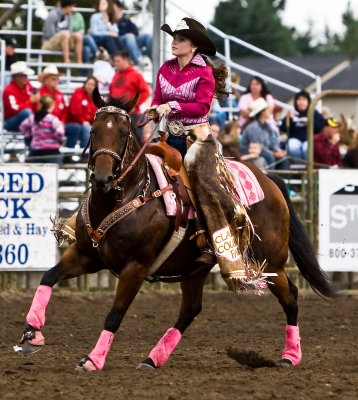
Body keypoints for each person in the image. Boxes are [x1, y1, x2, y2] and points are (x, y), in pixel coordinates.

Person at [148, 17, 251, 280]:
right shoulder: (165, 69)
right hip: (167, 137)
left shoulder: (204, 72)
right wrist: (153, 110)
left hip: (198, 139)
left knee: (204, 186)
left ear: (194, 47)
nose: (174, 42)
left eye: (181, 39)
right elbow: (158, 99)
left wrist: (172, 107)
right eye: (174, 38)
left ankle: (210, 243)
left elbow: (202, 108)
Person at [109, 50, 150, 141]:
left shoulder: (136, 75)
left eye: (118, 61)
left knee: (136, 141)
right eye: (115, 61)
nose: (115, 63)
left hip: (131, 115)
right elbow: (111, 92)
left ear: (126, 60)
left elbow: (145, 92)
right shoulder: (116, 75)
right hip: (116, 115)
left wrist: (135, 105)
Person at [240, 98, 287, 168]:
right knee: (270, 158)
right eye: (267, 109)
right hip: (252, 153)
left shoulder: (267, 125)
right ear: (263, 112)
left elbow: (273, 140)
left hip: (264, 152)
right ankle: (270, 178)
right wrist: (273, 153)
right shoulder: (253, 128)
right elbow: (257, 146)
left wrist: (278, 150)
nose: (270, 111)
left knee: (284, 159)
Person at [280, 90, 325, 162]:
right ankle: (301, 165)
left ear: (308, 101)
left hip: (309, 139)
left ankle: (307, 166)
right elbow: (283, 128)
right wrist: (290, 118)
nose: (301, 102)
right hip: (295, 138)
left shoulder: (313, 112)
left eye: (304, 99)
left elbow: (321, 127)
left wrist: (310, 121)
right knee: (292, 146)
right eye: (299, 99)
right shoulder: (292, 112)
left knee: (307, 147)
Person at [20, 95, 65, 164]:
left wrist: (29, 137)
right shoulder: (52, 119)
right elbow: (60, 132)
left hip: (36, 152)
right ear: (51, 105)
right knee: (54, 174)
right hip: (52, 152)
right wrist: (59, 141)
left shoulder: (32, 118)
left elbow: (23, 126)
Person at [112, 0, 152, 67]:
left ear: (120, 9)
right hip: (119, 44)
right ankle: (138, 59)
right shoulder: (109, 21)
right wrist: (127, 35)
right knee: (129, 37)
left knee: (147, 36)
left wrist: (130, 35)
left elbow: (135, 32)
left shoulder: (126, 21)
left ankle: (154, 59)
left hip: (132, 43)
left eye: (114, 8)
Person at [2, 61, 37, 131]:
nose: (26, 77)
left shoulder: (28, 86)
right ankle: (37, 133)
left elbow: (35, 103)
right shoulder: (9, 90)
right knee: (26, 113)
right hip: (11, 121)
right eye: (23, 75)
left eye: (26, 75)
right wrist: (30, 101)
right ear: (15, 76)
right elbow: (15, 109)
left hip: (27, 118)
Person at [65, 76, 98, 149]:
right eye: (89, 84)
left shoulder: (94, 98)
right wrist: (83, 121)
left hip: (85, 124)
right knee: (86, 129)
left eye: (93, 85)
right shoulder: (79, 92)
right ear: (85, 84)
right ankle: (85, 156)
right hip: (73, 122)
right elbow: (74, 109)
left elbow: (95, 114)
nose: (90, 87)